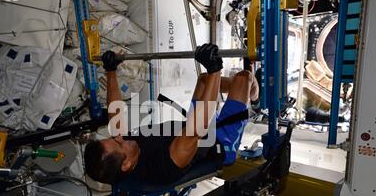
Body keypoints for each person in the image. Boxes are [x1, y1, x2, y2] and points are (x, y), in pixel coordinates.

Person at [84, 44, 259, 185]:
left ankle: (242, 93)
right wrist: (215, 69)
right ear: (126, 164)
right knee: (244, 77)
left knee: (205, 80)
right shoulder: (162, 166)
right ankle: (255, 98)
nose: (119, 137)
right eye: (118, 143)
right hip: (219, 139)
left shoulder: (124, 151)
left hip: (193, 124)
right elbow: (195, 131)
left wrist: (111, 70)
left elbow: (115, 113)